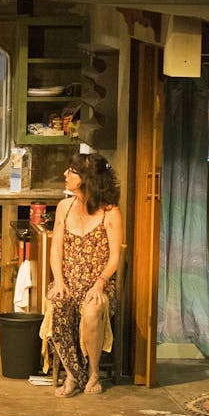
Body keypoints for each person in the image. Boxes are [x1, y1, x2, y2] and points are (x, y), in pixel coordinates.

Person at [45, 152, 123, 397]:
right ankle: (71, 374)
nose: (65, 175)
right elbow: (56, 247)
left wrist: (99, 284)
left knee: (91, 311)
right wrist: (58, 280)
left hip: (97, 284)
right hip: (68, 280)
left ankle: (93, 373)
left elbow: (114, 258)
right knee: (58, 304)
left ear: (86, 179)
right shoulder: (64, 207)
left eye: (72, 171)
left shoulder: (110, 213)